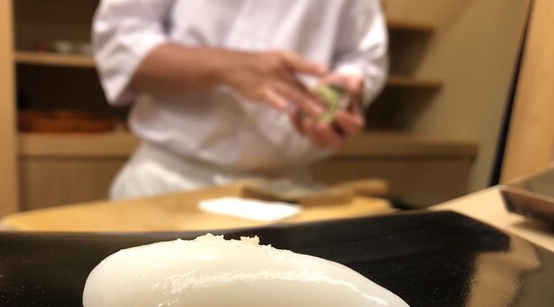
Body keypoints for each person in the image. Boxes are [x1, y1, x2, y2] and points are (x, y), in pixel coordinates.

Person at [92, 0, 388, 199]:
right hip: (167, 183)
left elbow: (365, 56)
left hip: (288, 191)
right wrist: (226, 65)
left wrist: (345, 88)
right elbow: (118, 42)